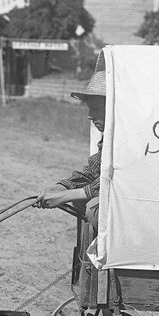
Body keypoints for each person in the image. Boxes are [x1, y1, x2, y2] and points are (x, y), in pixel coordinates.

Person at [33, 67, 106, 229]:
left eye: (95, 109)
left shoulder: (130, 141)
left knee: (94, 207)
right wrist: (61, 187)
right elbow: (92, 172)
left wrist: (64, 196)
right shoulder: (109, 138)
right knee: (80, 202)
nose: (89, 115)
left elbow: (113, 180)